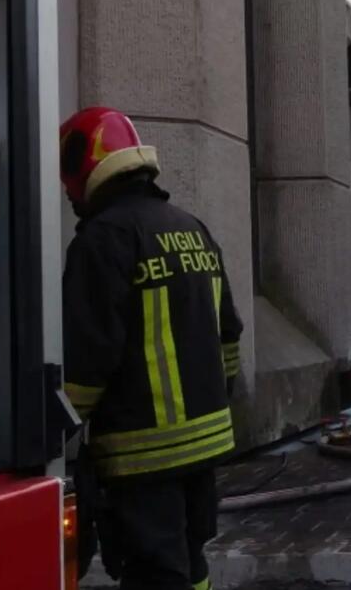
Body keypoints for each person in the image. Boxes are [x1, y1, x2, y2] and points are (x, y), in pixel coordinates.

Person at [59, 107, 243, 590]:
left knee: (153, 573)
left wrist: (54, 433)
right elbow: (229, 332)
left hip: (141, 454)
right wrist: (216, 397)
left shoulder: (101, 240)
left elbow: (88, 358)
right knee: (190, 560)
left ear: (85, 167)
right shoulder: (191, 227)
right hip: (207, 442)